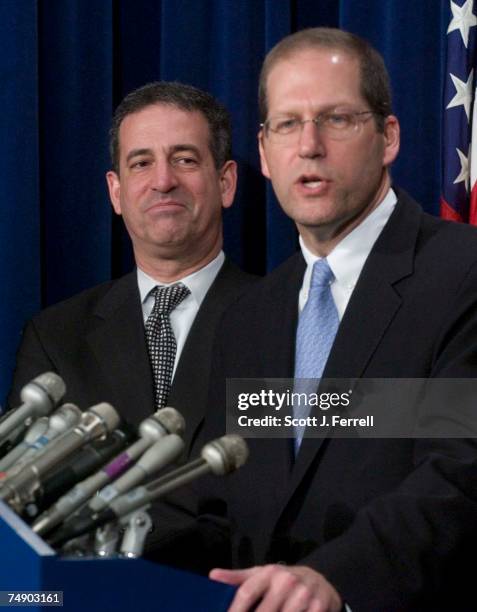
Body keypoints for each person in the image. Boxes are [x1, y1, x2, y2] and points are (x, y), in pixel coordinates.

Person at [194, 28, 477, 611]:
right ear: (265, 152)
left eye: (337, 119)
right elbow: (225, 503)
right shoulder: (249, 318)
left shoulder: (461, 272)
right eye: (287, 124)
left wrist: (335, 579)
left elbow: (460, 472)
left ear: (388, 136)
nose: (310, 145)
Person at [7, 81, 254, 452]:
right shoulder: (54, 338)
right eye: (141, 163)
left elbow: (357, 437)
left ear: (226, 182)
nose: (163, 181)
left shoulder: (289, 318)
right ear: (116, 192)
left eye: (185, 159)